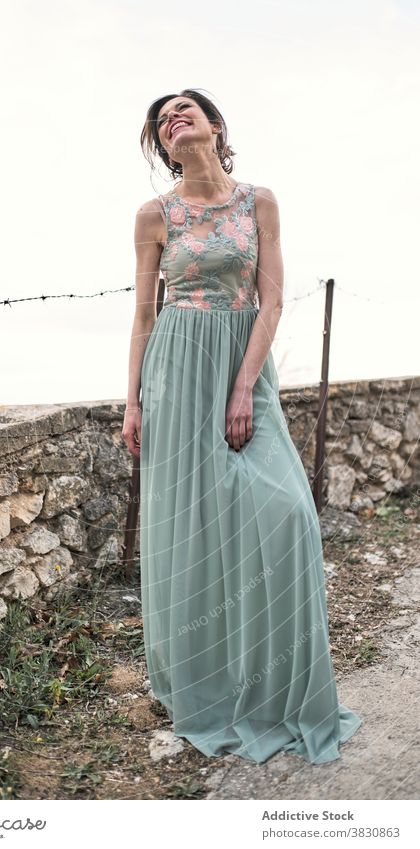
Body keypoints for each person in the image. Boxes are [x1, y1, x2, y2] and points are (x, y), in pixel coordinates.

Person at [122, 88, 363, 764]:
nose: (173, 116)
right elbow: (144, 313)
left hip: (241, 368)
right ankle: (206, 683)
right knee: (191, 524)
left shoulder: (259, 200)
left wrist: (242, 386)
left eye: (184, 108)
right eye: (160, 118)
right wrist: (133, 400)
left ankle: (274, 685)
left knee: (287, 513)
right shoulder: (153, 215)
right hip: (174, 366)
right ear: (161, 145)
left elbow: (273, 296)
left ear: (214, 125)